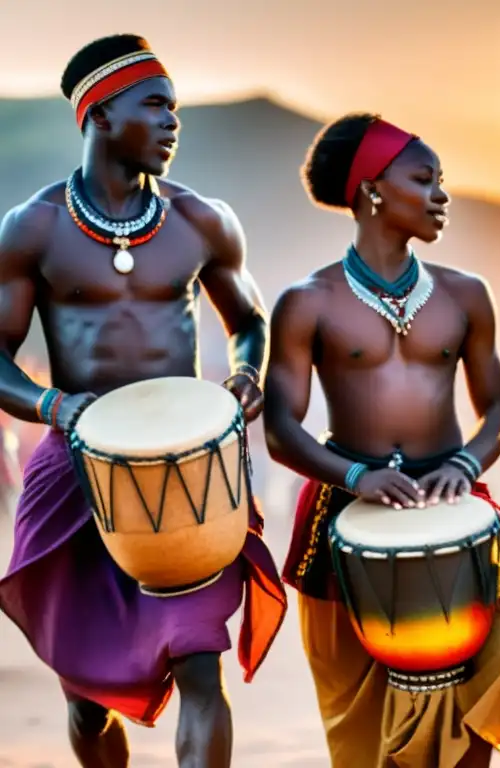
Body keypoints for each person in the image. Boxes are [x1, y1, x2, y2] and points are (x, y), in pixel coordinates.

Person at [0, 35, 287, 767]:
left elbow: (249, 322)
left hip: (191, 467)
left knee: (199, 662)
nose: (172, 122)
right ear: (99, 113)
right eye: (154, 105)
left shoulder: (203, 221)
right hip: (77, 465)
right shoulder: (33, 228)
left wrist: (248, 374)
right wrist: (52, 407)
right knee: (86, 702)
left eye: (176, 107)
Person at [262, 112, 500, 768]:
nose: (440, 194)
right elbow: (281, 427)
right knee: (366, 720)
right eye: (424, 179)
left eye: (441, 181)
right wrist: (356, 478)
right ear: (370, 190)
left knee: (496, 669)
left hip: (455, 508)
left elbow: (496, 411)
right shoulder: (308, 302)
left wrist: (467, 460)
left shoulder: (467, 295)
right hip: (345, 515)